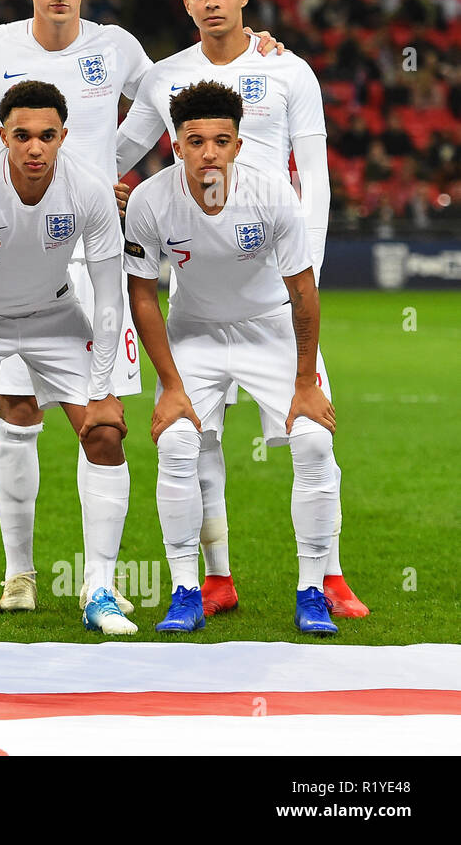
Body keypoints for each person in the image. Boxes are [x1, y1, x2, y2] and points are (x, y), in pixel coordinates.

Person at [0, 0, 280, 617]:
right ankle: (20, 575)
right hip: (13, 252)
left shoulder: (120, 48)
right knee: (16, 412)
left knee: (103, 423)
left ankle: (98, 582)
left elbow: (179, 96)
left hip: (96, 248)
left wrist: (115, 170)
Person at [115, 0, 365, 618]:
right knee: (193, 443)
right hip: (197, 302)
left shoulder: (290, 72)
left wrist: (297, 268)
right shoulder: (164, 77)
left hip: (272, 288)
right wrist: (105, 194)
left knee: (313, 436)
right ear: (186, 2)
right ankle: (211, 580)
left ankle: (328, 575)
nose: (211, 3)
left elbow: (311, 174)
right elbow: (119, 153)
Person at [123, 81, 341, 636]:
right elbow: (143, 296)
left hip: (270, 329)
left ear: (239, 145)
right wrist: (169, 384)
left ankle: (313, 590)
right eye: (196, 141)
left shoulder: (272, 194)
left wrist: (305, 380)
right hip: (193, 333)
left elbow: (302, 289)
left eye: (222, 141)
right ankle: (184, 590)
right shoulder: (150, 200)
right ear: (176, 147)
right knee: (176, 442)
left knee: (314, 439)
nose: (209, 153)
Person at [0, 80, 135, 637]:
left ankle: (99, 590)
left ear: (64, 136)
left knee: (106, 432)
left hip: (55, 317)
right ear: (2, 136)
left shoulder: (89, 191)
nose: (35, 148)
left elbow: (109, 291)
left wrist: (101, 387)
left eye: (47, 136)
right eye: (22, 136)